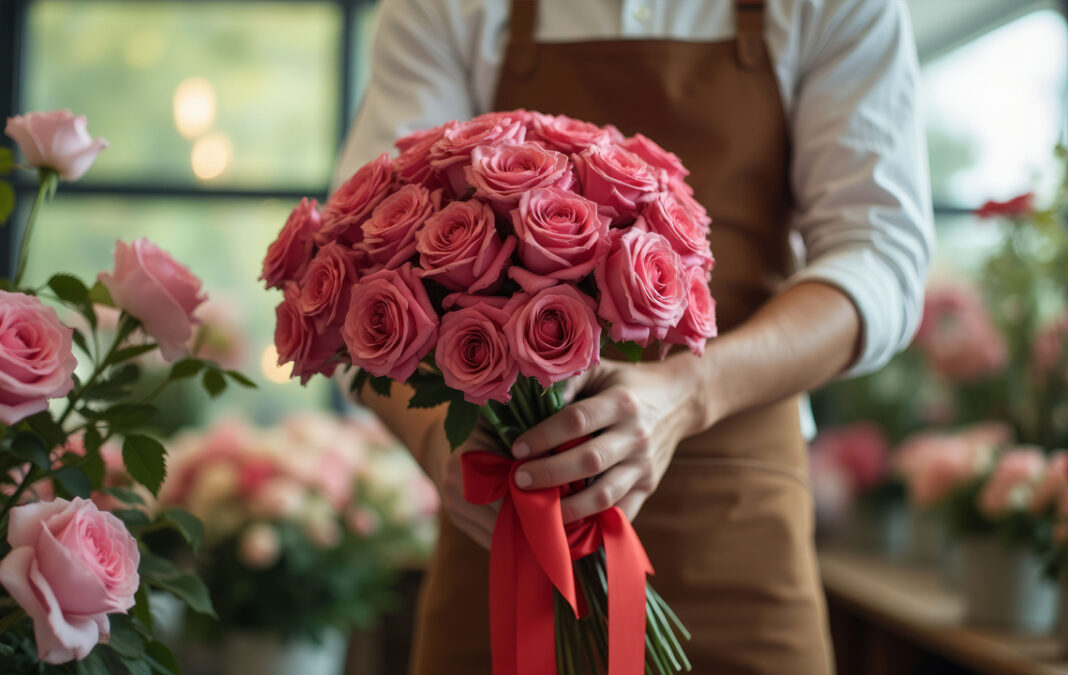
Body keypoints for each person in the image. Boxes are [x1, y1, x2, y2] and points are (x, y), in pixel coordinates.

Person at [334, 0, 932, 672]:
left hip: (739, 532)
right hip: (505, 532)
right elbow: (356, 264)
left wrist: (690, 388)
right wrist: (438, 442)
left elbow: (880, 255)